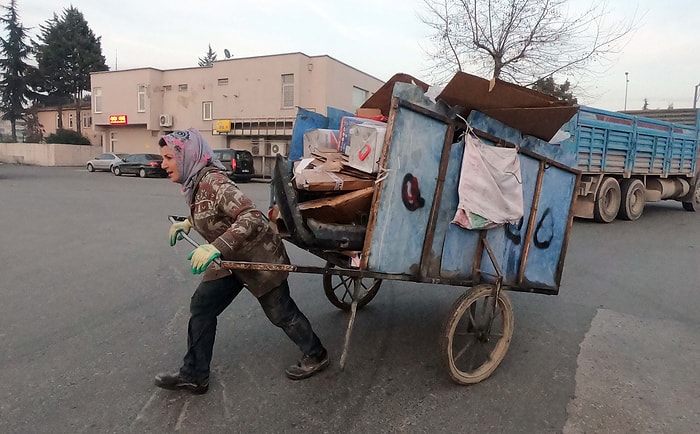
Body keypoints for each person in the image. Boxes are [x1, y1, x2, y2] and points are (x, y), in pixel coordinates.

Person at [154, 128, 329, 395]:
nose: (163, 164)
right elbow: (213, 213)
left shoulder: (214, 182)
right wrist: (188, 223)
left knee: (281, 314)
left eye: (168, 158)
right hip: (229, 262)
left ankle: (316, 354)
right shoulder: (195, 183)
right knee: (202, 307)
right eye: (163, 158)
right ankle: (194, 374)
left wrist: (215, 246)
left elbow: (252, 216)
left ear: (185, 156)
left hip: (258, 259)